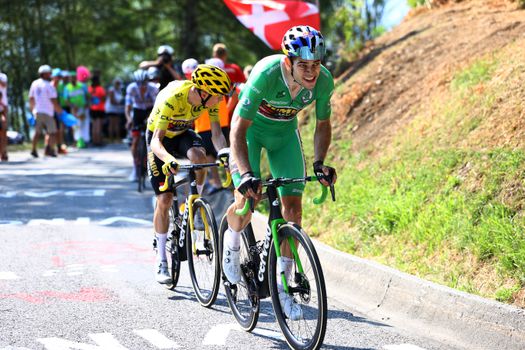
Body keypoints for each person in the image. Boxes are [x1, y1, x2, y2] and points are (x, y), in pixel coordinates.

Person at [221, 26, 337, 321]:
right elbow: (238, 128)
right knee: (245, 203)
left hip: (285, 136)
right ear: (288, 62)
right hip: (249, 133)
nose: (311, 72)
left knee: (293, 211)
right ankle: (232, 244)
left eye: (316, 64)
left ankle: (284, 289)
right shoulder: (266, 73)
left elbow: (323, 124)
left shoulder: (323, 82)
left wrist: (320, 163)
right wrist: (246, 172)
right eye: (304, 65)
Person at [147, 64, 231, 284]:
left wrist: (224, 154)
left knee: (199, 156)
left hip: (183, 133)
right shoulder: (173, 98)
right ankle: (161, 259)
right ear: (203, 92)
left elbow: (216, 134)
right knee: (164, 198)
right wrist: (168, 160)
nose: (221, 100)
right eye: (218, 96)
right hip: (160, 138)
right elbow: (156, 140)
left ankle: (196, 200)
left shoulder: (209, 101)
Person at [29, 65, 70, 158]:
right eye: (49, 73)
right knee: (52, 132)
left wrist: (32, 110)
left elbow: (31, 98)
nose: (50, 75)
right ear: (44, 74)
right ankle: (50, 150)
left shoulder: (34, 83)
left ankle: (33, 149)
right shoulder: (49, 86)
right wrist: (61, 112)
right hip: (48, 112)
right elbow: (54, 101)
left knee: (37, 132)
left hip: (37, 111)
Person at [125, 69, 158, 181]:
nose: (141, 87)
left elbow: (157, 107)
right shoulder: (131, 88)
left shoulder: (153, 88)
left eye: (144, 84)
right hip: (137, 111)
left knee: (153, 141)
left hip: (150, 110)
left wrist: (151, 119)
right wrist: (129, 119)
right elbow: (128, 106)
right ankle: (135, 168)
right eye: (139, 84)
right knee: (134, 141)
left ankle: (151, 167)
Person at [65, 71, 90, 148]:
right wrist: (72, 106)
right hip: (74, 110)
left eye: (74, 78)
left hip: (83, 108)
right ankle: (76, 141)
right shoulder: (67, 87)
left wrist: (87, 104)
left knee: (84, 124)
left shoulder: (82, 85)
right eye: (70, 78)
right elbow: (66, 100)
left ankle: (85, 141)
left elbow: (87, 96)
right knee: (75, 125)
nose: (72, 79)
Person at [88, 75, 106, 146]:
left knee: (94, 126)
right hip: (100, 109)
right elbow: (103, 98)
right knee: (98, 126)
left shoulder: (89, 88)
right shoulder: (100, 89)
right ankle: (98, 141)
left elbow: (88, 98)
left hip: (92, 109)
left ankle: (94, 141)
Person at [105, 77, 125, 142]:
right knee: (112, 124)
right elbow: (112, 101)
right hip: (111, 109)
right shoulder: (111, 90)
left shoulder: (119, 90)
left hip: (117, 109)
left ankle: (117, 138)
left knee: (117, 123)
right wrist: (120, 104)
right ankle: (111, 138)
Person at [0, 72, 9, 161]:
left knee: (3, 130)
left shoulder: (2, 76)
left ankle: (4, 152)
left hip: (3, 108)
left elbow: (4, 84)